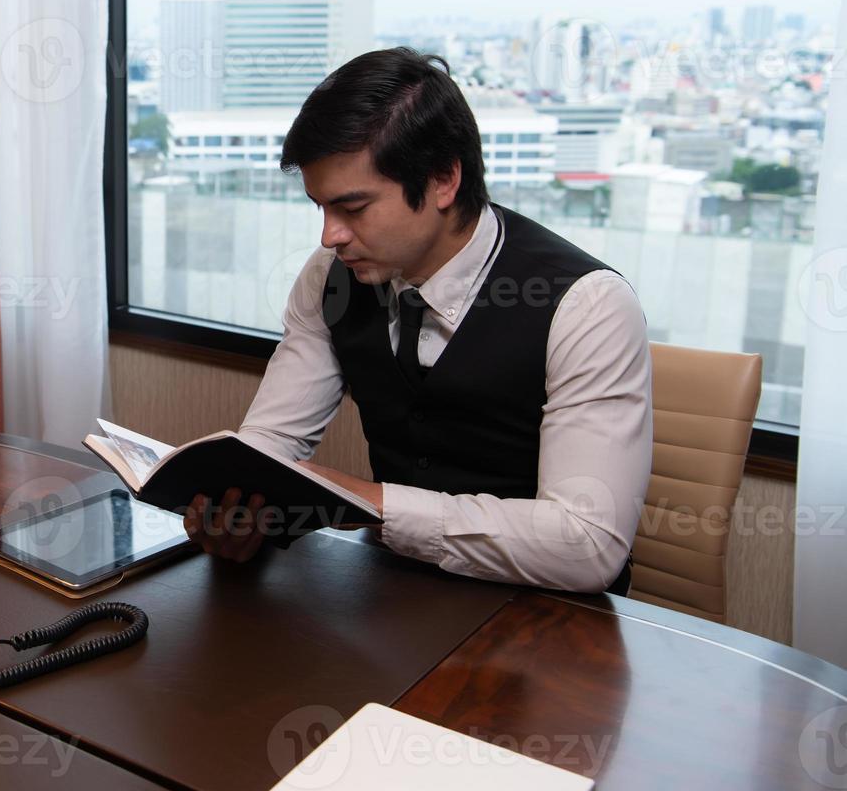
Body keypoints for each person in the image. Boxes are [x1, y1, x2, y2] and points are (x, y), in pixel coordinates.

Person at [183, 47, 652, 594]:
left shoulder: (587, 305)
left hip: (550, 619)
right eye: (321, 208)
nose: (329, 235)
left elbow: (587, 544)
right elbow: (272, 440)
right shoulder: (328, 278)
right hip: (396, 594)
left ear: (443, 180)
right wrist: (242, 507)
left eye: (353, 209)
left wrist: (369, 502)